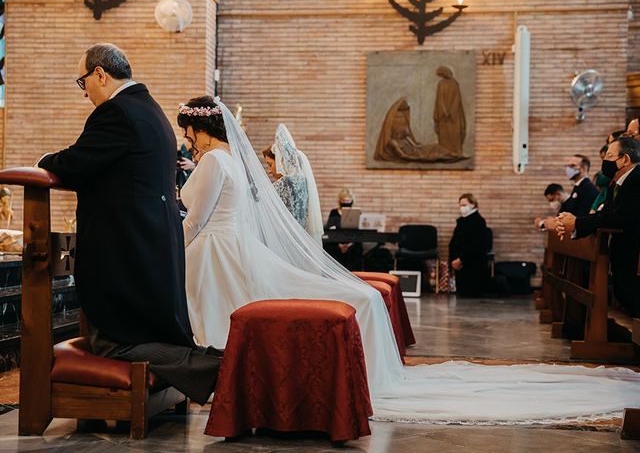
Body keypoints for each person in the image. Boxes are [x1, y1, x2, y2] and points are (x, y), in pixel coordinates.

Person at [180, 96, 640, 424]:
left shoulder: (212, 163)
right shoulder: (236, 163)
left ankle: (220, 376)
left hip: (215, 248)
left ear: (199, 128)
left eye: (187, 131)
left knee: (222, 309)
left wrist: (174, 247)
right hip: (236, 246)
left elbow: (193, 219)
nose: (187, 140)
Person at [37, 44, 221, 406]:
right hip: (149, 246)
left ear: (100, 74)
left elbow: (77, 161)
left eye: (83, 81)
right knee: (136, 333)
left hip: (126, 251)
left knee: (113, 342)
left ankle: (218, 366)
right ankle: (216, 361)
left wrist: (43, 160)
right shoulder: (150, 110)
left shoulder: (116, 112)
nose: (85, 91)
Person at [556, 137, 640, 317]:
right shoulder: (616, 182)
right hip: (623, 252)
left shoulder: (637, 178)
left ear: (624, 159)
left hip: (633, 250)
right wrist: (573, 224)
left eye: (609, 155)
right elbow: (605, 214)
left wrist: (577, 223)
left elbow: (621, 217)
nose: (605, 161)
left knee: (630, 295)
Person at [261, 124, 324, 243]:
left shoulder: (287, 182)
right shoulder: (302, 180)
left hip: (284, 240)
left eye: (270, 164)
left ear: (280, 161)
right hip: (301, 239)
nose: (269, 171)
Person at [448, 194, 489, 297]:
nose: (462, 208)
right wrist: (453, 259)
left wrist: (461, 259)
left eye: (464, 205)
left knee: (470, 294)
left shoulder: (479, 222)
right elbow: (454, 241)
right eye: (460, 205)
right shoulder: (461, 221)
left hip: (472, 264)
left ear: (473, 205)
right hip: (458, 263)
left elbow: (475, 245)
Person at [324, 189, 364, 270]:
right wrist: (339, 245)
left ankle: (355, 274)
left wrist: (350, 244)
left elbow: (357, 230)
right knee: (327, 245)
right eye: (343, 200)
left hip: (351, 241)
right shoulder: (334, 212)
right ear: (339, 201)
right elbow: (329, 228)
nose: (345, 202)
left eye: (348, 200)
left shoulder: (356, 212)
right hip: (336, 242)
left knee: (358, 247)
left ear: (352, 201)